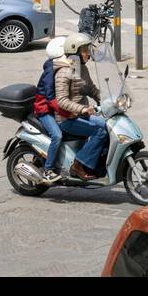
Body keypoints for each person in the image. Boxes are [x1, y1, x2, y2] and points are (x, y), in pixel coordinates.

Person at [53, 33, 109, 180]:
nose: (88, 53)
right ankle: (78, 164)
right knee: (100, 132)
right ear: (74, 51)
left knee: (109, 127)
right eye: (84, 50)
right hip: (67, 119)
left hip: (82, 115)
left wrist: (107, 99)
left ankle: (97, 164)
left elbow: (90, 88)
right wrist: (83, 109)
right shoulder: (64, 72)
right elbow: (62, 100)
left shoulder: (82, 68)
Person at [34, 36, 67, 183]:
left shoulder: (62, 66)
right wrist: (65, 111)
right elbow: (50, 97)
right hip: (44, 111)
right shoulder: (51, 69)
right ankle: (48, 170)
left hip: (54, 109)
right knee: (57, 135)